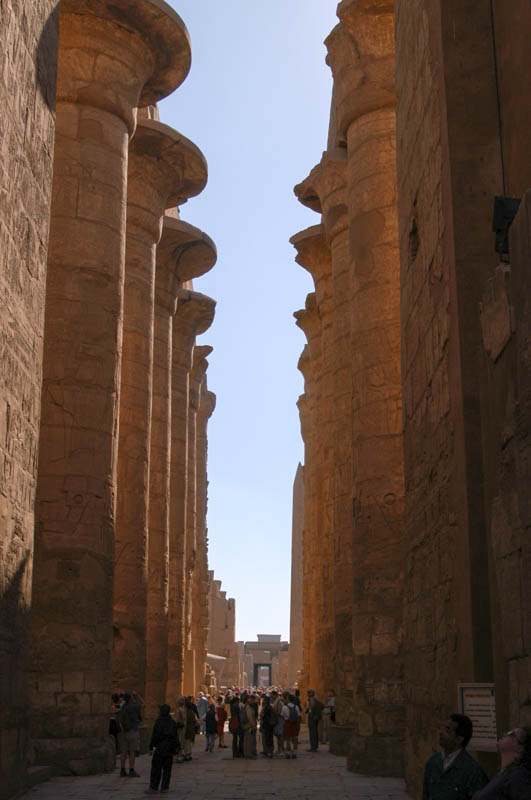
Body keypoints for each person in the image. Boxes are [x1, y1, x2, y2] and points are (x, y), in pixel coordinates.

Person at [422, 714, 489, 799]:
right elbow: (425, 795)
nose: (441, 733)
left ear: (459, 739)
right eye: (443, 728)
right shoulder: (433, 762)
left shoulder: (473, 771)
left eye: (448, 730)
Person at [472, 726, 531, 799]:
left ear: (520, 748)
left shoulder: (518, 775)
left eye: (511, 734)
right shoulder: (505, 772)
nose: (505, 734)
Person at [145, 703, 179, 795]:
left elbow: (154, 736)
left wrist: (151, 747)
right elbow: (175, 736)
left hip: (160, 748)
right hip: (169, 748)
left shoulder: (158, 722)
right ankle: (164, 787)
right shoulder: (172, 722)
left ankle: (154, 787)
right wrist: (176, 748)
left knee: (156, 768)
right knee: (167, 769)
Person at [118, 691, 142, 777]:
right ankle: (131, 770)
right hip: (132, 730)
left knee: (123, 752)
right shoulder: (135, 706)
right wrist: (137, 696)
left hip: (123, 731)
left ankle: (122, 770)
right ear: (131, 698)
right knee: (132, 752)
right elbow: (143, 705)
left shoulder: (122, 707)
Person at [282, 694, 301, 758]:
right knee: (295, 738)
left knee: (288, 739)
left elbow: (282, 715)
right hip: (295, 723)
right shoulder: (296, 707)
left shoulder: (284, 707)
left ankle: (288, 753)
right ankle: (294, 753)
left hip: (287, 723)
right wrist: (298, 724)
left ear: (288, 699)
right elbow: (298, 716)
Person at [271, 690, 284, 755]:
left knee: (280, 735)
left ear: (275, 695)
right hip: (278, 720)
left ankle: (281, 749)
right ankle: (279, 749)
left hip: (279, 720)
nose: (271, 697)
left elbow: (280, 711)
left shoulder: (279, 701)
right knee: (278, 735)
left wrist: (274, 713)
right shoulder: (277, 701)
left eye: (272, 695)